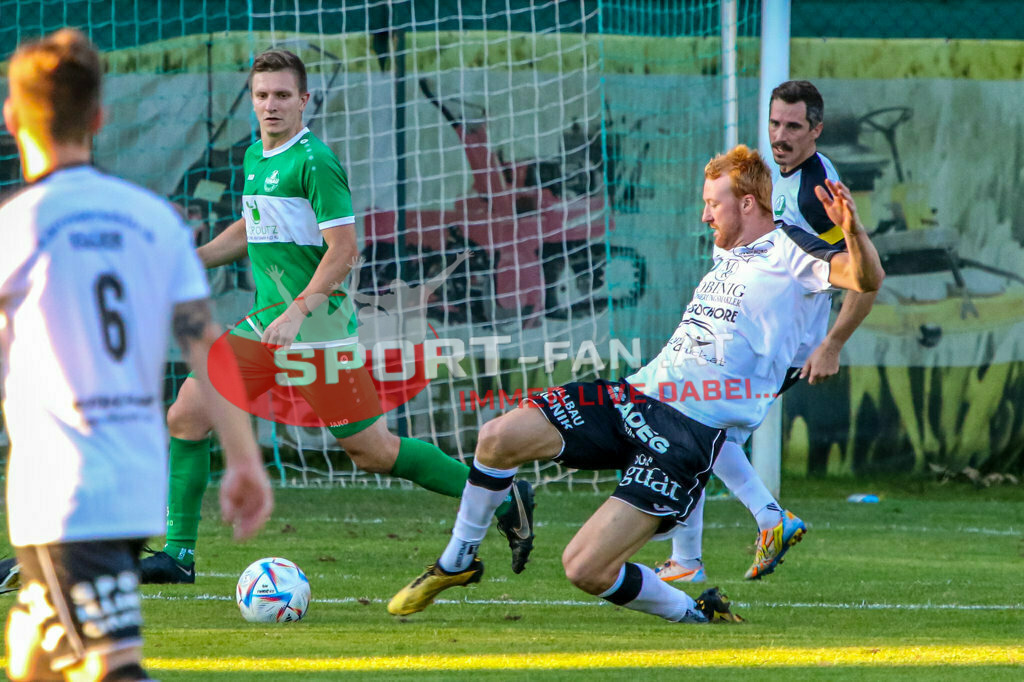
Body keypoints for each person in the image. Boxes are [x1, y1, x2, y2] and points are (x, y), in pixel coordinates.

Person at [388, 144, 884, 623]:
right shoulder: (728, 255)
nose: (704, 217)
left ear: (748, 203)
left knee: (583, 568)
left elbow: (865, 279)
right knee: (497, 438)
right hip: (633, 395)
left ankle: (693, 610)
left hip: (685, 436)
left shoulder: (792, 250)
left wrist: (853, 231)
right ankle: (457, 562)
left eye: (713, 204)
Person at [140, 49, 533, 584]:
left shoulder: (315, 160)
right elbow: (252, 224)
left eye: (282, 95)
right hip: (264, 326)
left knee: (372, 452)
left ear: (304, 100)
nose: (271, 105)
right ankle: (178, 557)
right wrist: (197, 257)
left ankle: (505, 497)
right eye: (262, 95)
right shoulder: (257, 154)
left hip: (318, 331)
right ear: (252, 102)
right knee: (187, 414)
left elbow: (344, 248)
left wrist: (300, 310)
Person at [0, 29, 273, 681]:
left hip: (68, 491)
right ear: (99, 117)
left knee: (112, 667)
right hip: (132, 483)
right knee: (32, 657)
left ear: (12, 119)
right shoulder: (153, 220)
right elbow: (205, 342)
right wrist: (242, 459)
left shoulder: (18, 225)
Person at [655, 80, 880, 583]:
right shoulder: (781, 175)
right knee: (698, 427)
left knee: (692, 423)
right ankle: (733, 535)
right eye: (775, 123)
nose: (780, 135)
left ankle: (695, 553)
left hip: (783, 343)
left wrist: (832, 344)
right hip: (755, 333)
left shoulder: (816, 189)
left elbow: (865, 277)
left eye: (793, 126)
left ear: (816, 129)